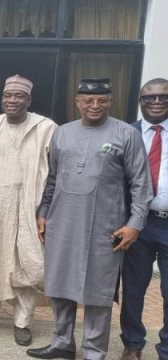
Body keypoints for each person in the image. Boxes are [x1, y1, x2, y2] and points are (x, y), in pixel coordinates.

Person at [26, 78, 151, 360]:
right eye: (88, 100)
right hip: (62, 224)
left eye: (102, 100)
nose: (95, 105)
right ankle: (62, 343)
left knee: (98, 291)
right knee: (59, 285)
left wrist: (135, 224)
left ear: (110, 102)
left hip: (105, 228)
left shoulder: (125, 134)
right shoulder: (62, 133)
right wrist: (43, 213)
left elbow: (141, 185)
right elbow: (53, 179)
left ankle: (94, 351)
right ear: (77, 102)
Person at [0, 75, 57, 346]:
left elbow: (55, 173)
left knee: (25, 264)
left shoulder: (46, 127)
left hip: (28, 206)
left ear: (29, 100)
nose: (12, 100)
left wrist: (44, 209)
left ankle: (22, 322)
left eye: (18, 96)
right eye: (8, 96)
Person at [119, 78, 168, 360]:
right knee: (134, 288)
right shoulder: (128, 133)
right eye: (150, 97)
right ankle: (133, 344)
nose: (157, 102)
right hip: (137, 223)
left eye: (163, 97)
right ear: (141, 101)